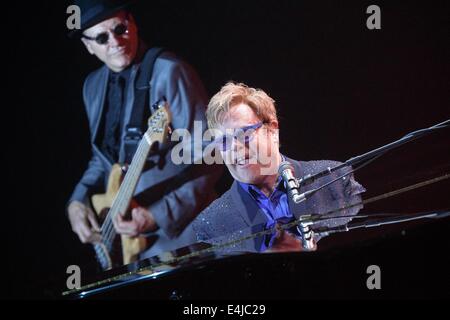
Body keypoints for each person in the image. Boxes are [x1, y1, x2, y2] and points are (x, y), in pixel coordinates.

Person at [66, 0, 221, 262]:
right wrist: (77, 200)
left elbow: (211, 156)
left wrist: (158, 214)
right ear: (88, 46)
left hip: (186, 237)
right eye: (102, 38)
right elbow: (103, 158)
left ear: (133, 23)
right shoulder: (91, 86)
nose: (115, 41)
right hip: (131, 247)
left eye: (120, 29)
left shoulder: (171, 71)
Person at [190, 82, 365, 253]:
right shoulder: (210, 227)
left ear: (272, 130)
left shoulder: (337, 181)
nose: (235, 147)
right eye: (224, 141)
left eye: (244, 134)